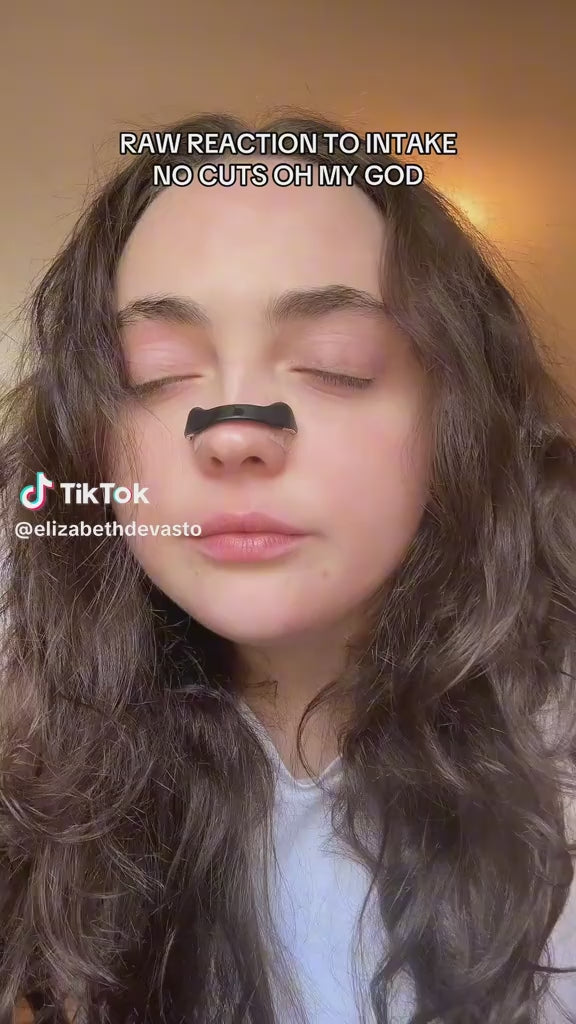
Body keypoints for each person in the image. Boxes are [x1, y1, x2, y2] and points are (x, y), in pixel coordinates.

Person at [0, 111, 575, 1024]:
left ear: (457, 416)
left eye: (333, 365)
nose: (232, 432)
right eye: (155, 373)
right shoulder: (45, 731)